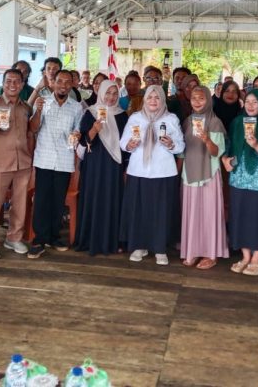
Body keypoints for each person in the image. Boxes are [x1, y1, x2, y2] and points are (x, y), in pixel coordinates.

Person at [120, 86, 185, 266]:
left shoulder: (170, 119)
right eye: (150, 97)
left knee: (161, 212)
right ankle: (139, 246)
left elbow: (180, 146)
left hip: (163, 172)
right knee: (138, 210)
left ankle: (160, 249)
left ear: (163, 100)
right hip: (139, 171)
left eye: (157, 97)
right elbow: (123, 142)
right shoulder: (135, 118)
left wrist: (171, 144)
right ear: (145, 99)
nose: (153, 101)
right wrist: (130, 145)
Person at [28, 69, 84, 258]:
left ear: (72, 85)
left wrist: (76, 134)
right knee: (42, 199)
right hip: (44, 158)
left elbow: (77, 130)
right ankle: (39, 239)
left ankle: (53, 236)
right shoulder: (43, 102)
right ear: (53, 83)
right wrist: (39, 111)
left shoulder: (76, 107)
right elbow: (33, 128)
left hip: (64, 160)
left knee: (58, 201)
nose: (64, 85)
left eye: (68, 82)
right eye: (60, 81)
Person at [0, 68, 33, 259]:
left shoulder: (25, 107)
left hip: (23, 162)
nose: (12, 85)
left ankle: (14, 238)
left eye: (17, 81)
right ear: (3, 83)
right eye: (9, 81)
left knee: (20, 203)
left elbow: (30, 132)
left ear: (22, 84)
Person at [223, 89, 258, 276]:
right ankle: (245, 256)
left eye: (255, 102)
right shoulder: (238, 122)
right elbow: (228, 146)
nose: (251, 106)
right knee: (241, 217)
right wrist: (224, 160)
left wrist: (256, 145)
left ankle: (257, 258)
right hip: (238, 177)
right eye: (248, 102)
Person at [75, 80, 127, 255]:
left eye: (114, 93)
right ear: (101, 93)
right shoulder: (90, 113)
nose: (111, 97)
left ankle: (112, 240)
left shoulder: (122, 115)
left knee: (112, 199)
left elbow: (126, 144)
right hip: (95, 166)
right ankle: (91, 239)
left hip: (114, 167)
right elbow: (82, 142)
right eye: (108, 93)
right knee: (94, 197)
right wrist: (94, 130)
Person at [180, 86, 228, 269]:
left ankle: (210, 253)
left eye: (201, 98)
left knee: (209, 214)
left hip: (209, 174)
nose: (197, 102)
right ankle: (192, 250)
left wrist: (207, 139)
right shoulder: (187, 122)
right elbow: (182, 151)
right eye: (194, 98)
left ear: (208, 100)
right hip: (189, 173)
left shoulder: (215, 122)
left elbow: (217, 152)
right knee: (192, 213)